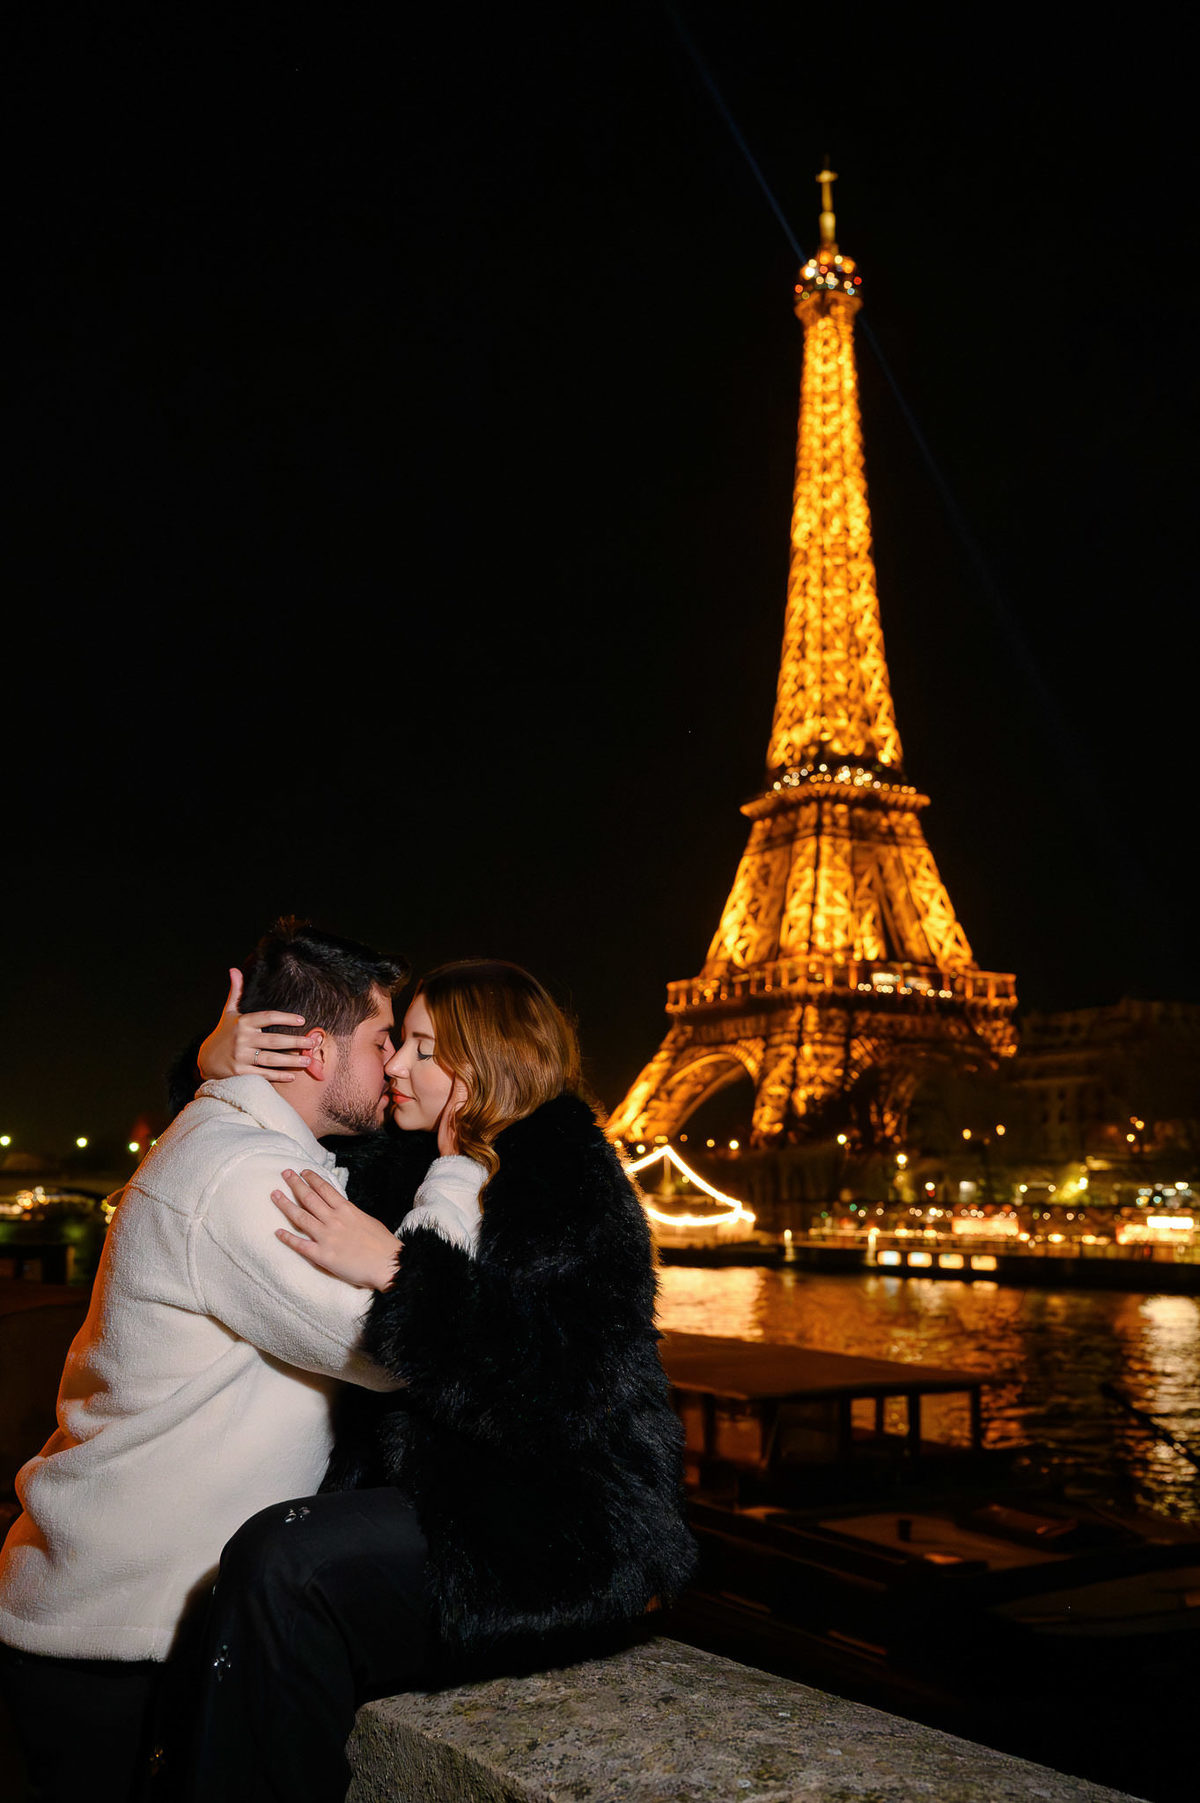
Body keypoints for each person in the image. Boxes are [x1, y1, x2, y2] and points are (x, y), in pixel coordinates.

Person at [183, 958, 696, 1803]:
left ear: (484, 1063)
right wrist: (211, 1069)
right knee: (278, 1563)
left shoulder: (567, 1178)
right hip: (450, 1507)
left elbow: (564, 1391)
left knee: (287, 1561)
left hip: (553, 1531)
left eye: (423, 1047)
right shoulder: (404, 1156)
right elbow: (271, 1137)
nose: (392, 1064)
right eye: (400, 1041)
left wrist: (399, 1268)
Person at [0, 920, 409, 1803]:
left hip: (107, 1606)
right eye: (382, 1042)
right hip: (120, 1639)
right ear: (314, 1049)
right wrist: (457, 1175)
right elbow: (394, 1347)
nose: (395, 1068)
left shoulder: (234, 1143)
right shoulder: (247, 1176)